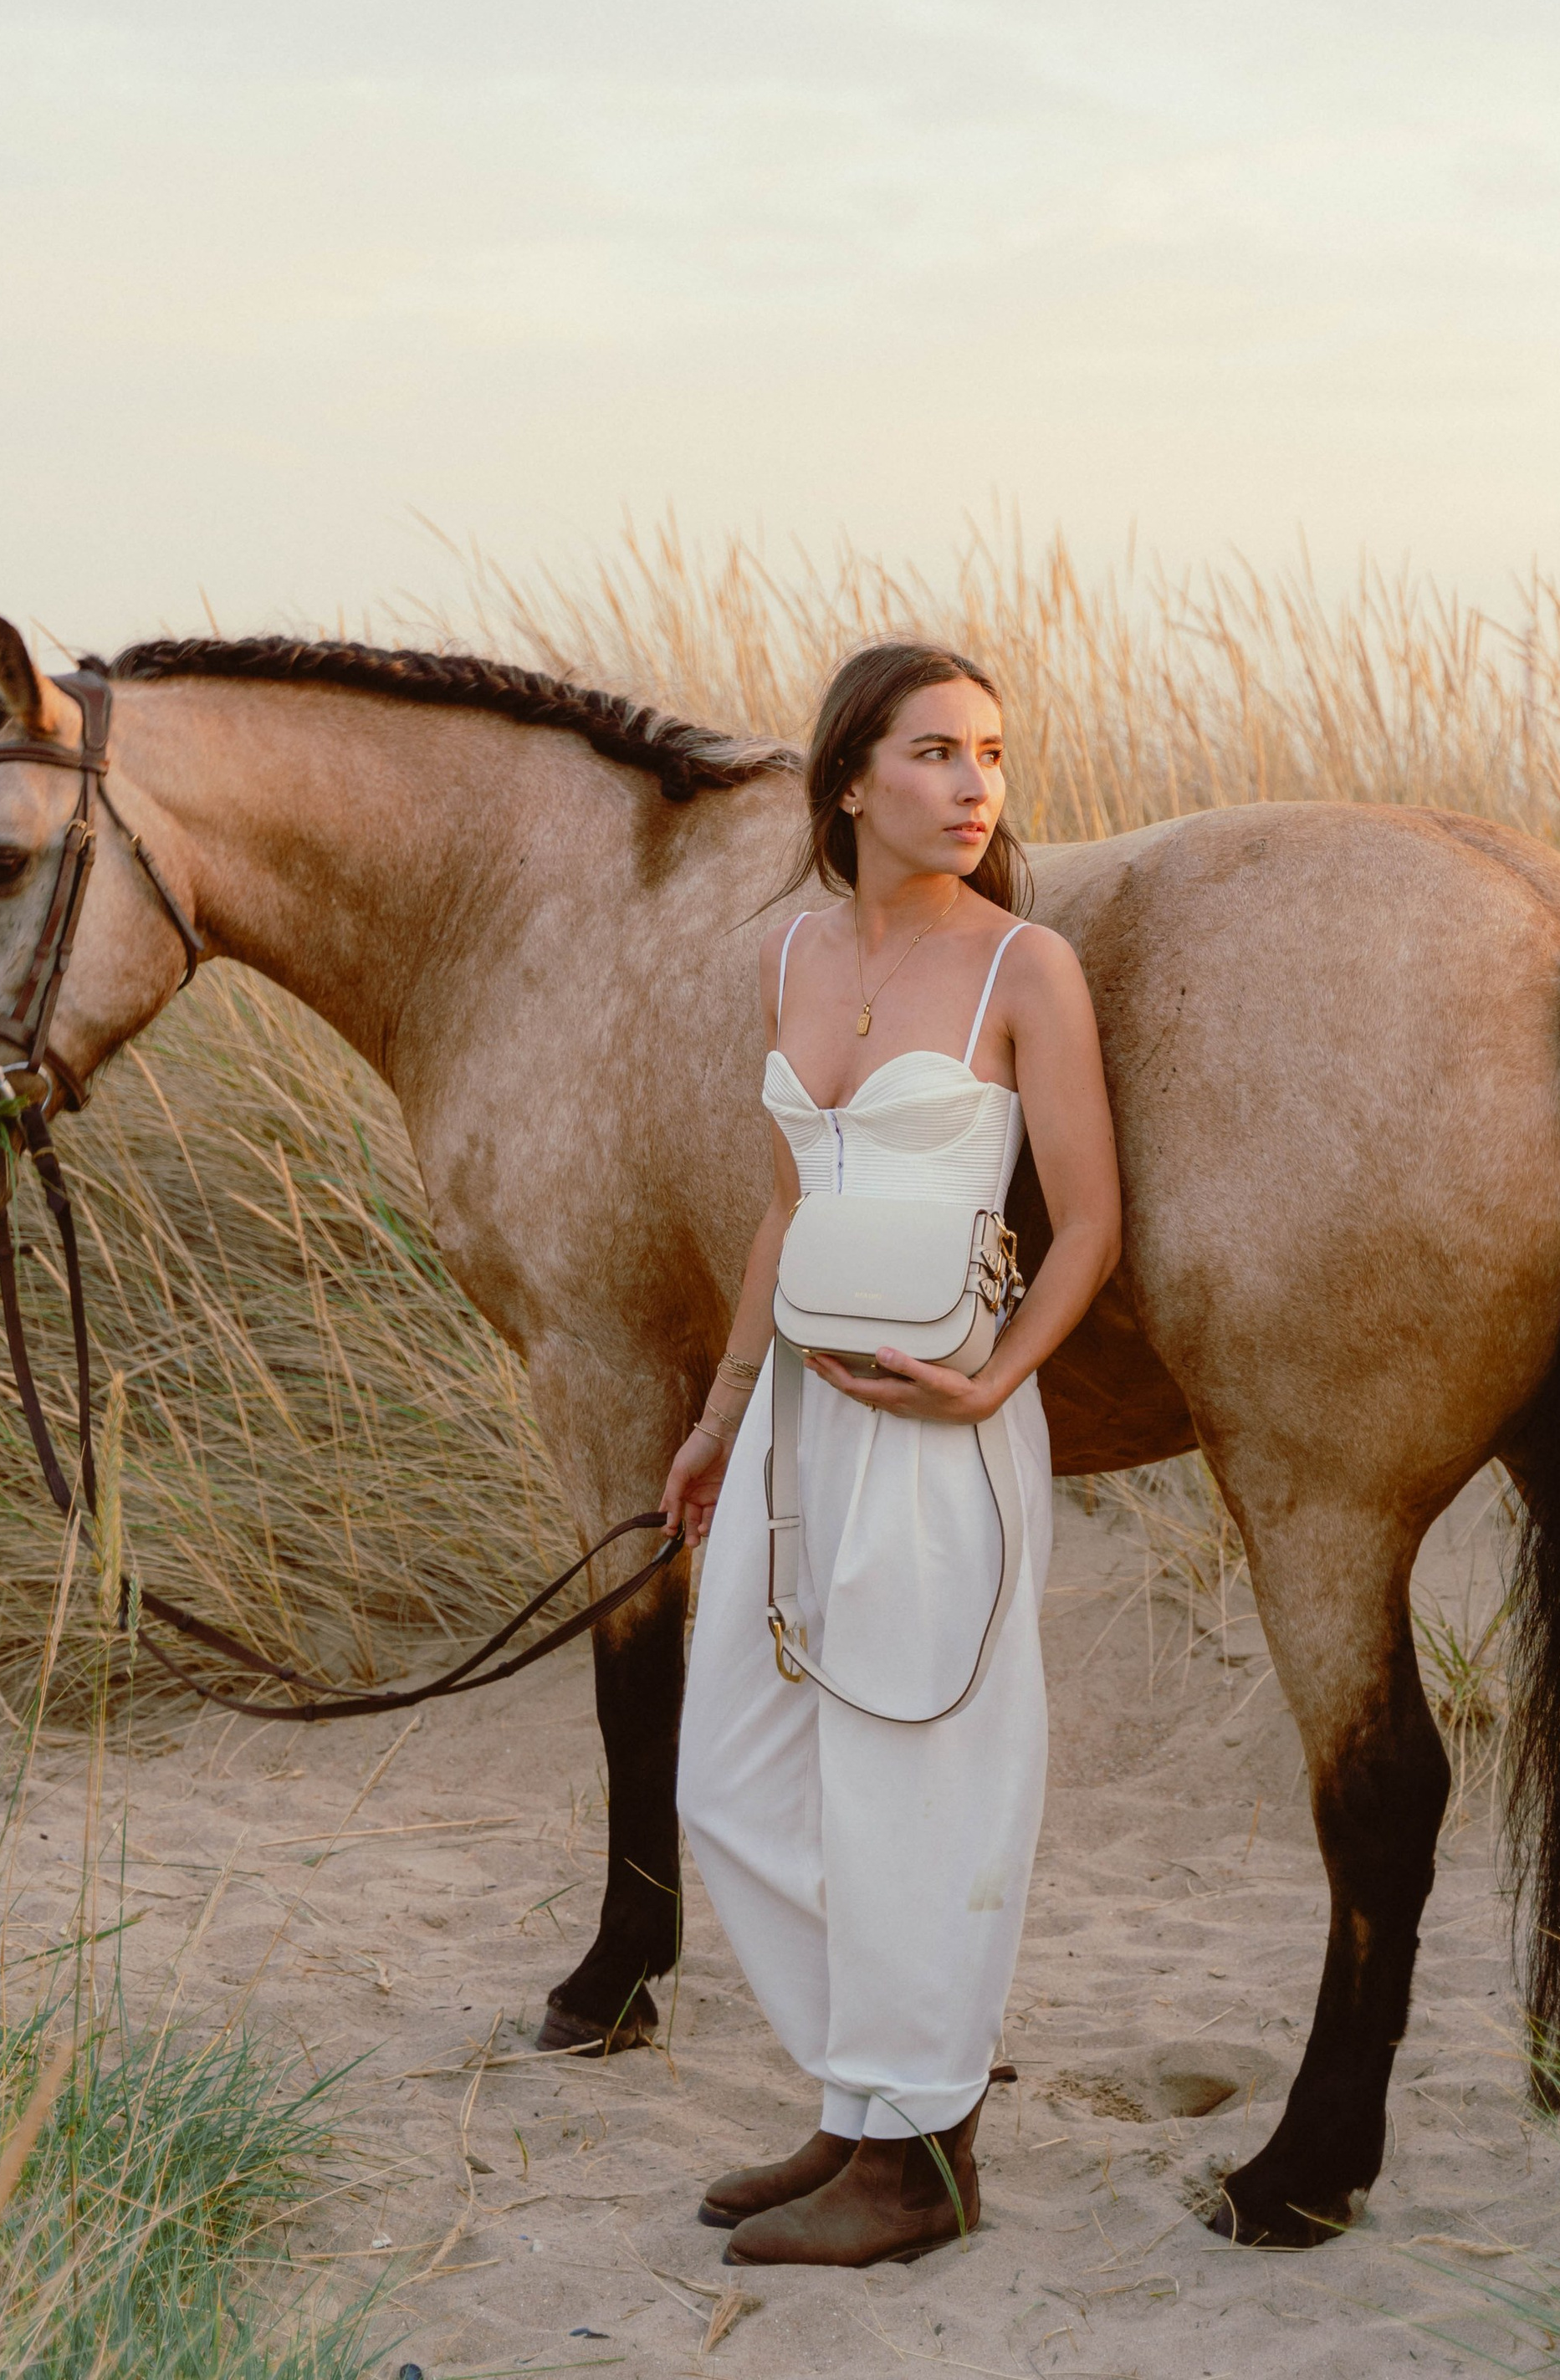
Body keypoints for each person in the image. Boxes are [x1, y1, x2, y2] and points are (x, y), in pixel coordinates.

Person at [664, 639, 1123, 2269]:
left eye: (989, 754)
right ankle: (871, 2093)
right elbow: (786, 1206)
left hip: (939, 1426)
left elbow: (1088, 1223)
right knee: (731, 1776)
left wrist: (994, 1384)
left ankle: (917, 2158)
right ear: (849, 778)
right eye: (934, 752)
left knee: (918, 1781)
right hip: (798, 1420)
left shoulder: (1024, 970)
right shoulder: (788, 950)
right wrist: (723, 1414)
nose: (972, 785)